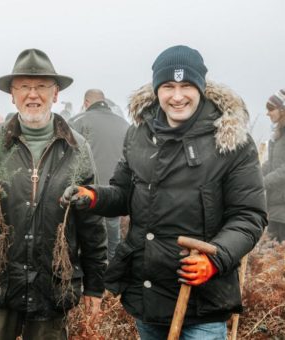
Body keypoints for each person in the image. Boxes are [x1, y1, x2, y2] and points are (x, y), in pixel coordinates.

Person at [61, 45, 267, 339]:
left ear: (201, 88)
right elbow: (123, 193)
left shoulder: (231, 141)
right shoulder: (139, 134)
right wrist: (93, 196)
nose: (177, 96)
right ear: (157, 90)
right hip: (150, 292)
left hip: (202, 299)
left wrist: (215, 258)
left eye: (187, 86)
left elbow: (249, 216)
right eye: (168, 86)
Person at [0, 48, 107, 340]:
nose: (33, 94)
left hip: (52, 285)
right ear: (12, 94)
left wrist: (95, 284)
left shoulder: (76, 147)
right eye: (23, 86)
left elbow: (91, 221)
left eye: (42, 86)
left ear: (56, 93)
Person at [69, 89, 129, 260]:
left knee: (86, 241)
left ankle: (88, 280)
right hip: (116, 195)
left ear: (86, 102)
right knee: (113, 241)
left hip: (85, 194)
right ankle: (111, 279)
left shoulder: (76, 122)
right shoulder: (124, 124)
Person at [262, 89, 285, 242]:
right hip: (276, 207)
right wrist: (254, 172)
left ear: (282, 109)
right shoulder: (279, 134)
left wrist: (263, 182)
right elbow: (272, 163)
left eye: (271, 109)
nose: (268, 113)